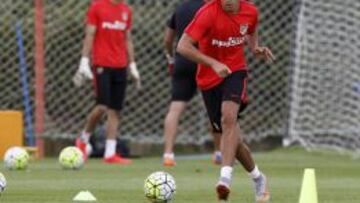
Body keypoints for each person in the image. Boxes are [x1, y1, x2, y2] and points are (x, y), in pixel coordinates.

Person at [177, 0, 275, 202]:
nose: (227, 2)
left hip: (235, 72)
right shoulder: (207, 13)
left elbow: (250, 29)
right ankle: (258, 177)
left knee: (228, 119)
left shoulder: (251, 12)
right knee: (233, 140)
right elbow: (182, 46)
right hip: (208, 78)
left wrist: (254, 46)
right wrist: (212, 63)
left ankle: (224, 180)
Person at [72, 0, 141, 164]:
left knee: (115, 110)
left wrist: (132, 65)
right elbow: (90, 34)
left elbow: (127, 38)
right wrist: (84, 61)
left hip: (121, 65)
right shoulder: (97, 6)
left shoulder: (126, 10)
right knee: (102, 106)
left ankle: (110, 153)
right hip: (102, 64)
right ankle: (83, 139)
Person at [162, 0, 222, 167]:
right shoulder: (211, 7)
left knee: (175, 108)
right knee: (214, 108)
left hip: (182, 61)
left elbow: (168, 39)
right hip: (205, 61)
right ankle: (218, 153)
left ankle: (168, 154)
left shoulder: (180, 8)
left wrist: (170, 58)